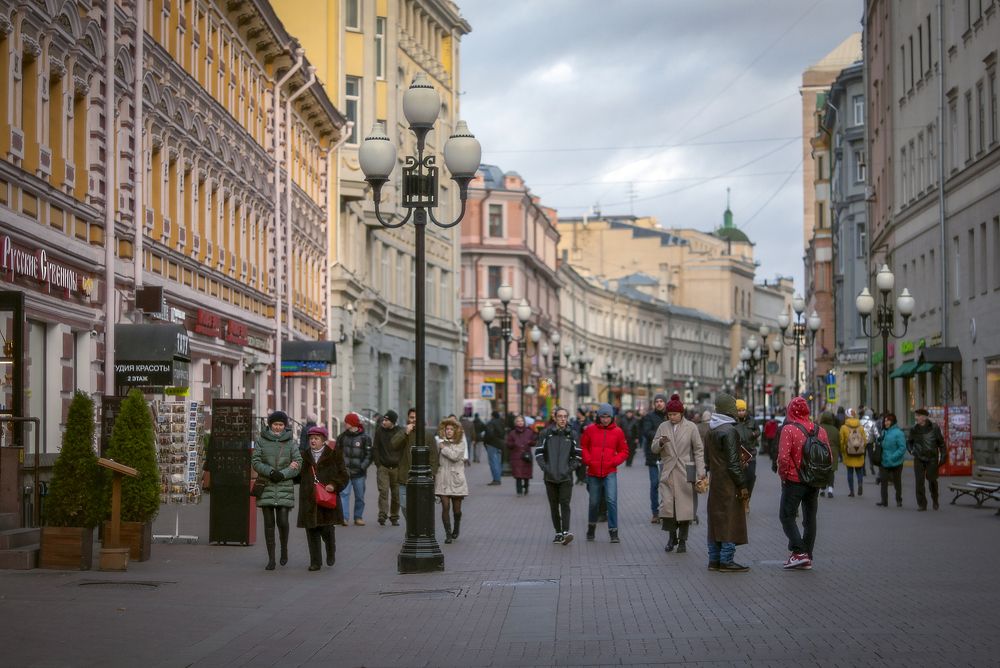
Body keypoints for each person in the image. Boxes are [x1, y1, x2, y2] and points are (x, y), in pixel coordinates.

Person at [777, 397, 833, 570]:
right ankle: (807, 555)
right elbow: (829, 456)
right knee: (810, 519)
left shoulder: (789, 429)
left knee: (786, 516)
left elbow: (783, 458)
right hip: (814, 480)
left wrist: (783, 476)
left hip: (794, 480)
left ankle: (799, 552)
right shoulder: (820, 430)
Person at [651, 394, 705, 555]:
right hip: (668, 470)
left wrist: (701, 471)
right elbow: (653, 447)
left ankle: (682, 541)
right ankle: (671, 537)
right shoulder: (663, 427)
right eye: (669, 414)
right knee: (668, 507)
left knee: (685, 509)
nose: (672, 417)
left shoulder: (691, 427)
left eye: (674, 414)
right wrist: (660, 442)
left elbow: (698, 450)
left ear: (681, 413)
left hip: (685, 470)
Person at [251, 410, 303, 570]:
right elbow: (255, 461)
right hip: (266, 484)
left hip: (284, 485)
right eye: (275, 424)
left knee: (282, 521)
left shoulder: (291, 442)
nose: (278, 427)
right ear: (270, 425)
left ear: (285, 425)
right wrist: (271, 472)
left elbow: (298, 462)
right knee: (268, 524)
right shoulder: (261, 440)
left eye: (281, 424)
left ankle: (284, 550)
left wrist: (283, 474)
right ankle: (271, 558)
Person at [704, 394, 750, 572]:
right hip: (729, 483)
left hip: (716, 481)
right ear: (729, 409)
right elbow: (732, 463)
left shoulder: (711, 430)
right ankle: (726, 560)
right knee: (730, 520)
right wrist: (742, 484)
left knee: (716, 520)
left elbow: (708, 460)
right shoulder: (730, 431)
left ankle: (713, 560)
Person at [297, 425, 348, 570]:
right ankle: (315, 562)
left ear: (323, 440)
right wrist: (293, 468)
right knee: (311, 531)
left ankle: (330, 549)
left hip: (327, 500)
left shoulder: (334, 455)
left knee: (326, 530)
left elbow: (344, 475)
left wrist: (334, 485)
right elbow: (297, 477)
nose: (313, 441)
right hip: (309, 500)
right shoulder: (303, 456)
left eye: (316, 438)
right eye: (311, 438)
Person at [581, 403, 629, 543]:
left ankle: (613, 532)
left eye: (608, 416)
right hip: (593, 472)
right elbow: (583, 446)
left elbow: (624, 451)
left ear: (612, 417)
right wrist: (589, 461)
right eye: (603, 416)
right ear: (599, 416)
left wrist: (614, 461)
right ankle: (591, 528)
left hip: (610, 471)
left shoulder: (618, 432)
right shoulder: (590, 430)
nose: (605, 419)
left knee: (611, 501)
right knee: (594, 502)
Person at [535, 407, 583, 545]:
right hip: (550, 477)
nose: (563, 419)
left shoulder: (572, 434)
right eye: (560, 416)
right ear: (555, 418)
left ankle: (565, 532)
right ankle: (558, 532)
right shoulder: (546, 433)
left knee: (565, 504)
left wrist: (569, 469)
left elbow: (578, 455)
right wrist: (546, 468)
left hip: (566, 477)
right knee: (554, 505)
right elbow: (538, 453)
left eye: (565, 416)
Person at [398, 408, 439, 515]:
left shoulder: (428, 435)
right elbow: (393, 445)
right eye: (412, 417)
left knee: (420, 508)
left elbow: (434, 457)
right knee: (404, 506)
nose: (414, 420)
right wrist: (405, 433)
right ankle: (411, 528)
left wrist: (431, 474)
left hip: (422, 478)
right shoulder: (403, 432)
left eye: (417, 417)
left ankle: (413, 530)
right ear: (408, 418)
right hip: (404, 477)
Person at [435, 416, 469, 544]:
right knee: (445, 506)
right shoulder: (439, 442)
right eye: (447, 429)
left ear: (456, 431)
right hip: (442, 477)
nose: (449, 431)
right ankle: (448, 534)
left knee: (457, 510)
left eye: (451, 429)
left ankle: (457, 526)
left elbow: (455, 457)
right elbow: (434, 459)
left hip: (456, 479)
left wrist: (443, 448)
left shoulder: (460, 443)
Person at [908, 408, 946, 511]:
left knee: (932, 480)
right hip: (919, 458)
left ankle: (935, 499)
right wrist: (912, 451)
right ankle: (922, 504)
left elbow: (941, 443)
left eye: (918, 416)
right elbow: (909, 442)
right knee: (919, 482)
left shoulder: (934, 428)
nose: (916, 418)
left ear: (924, 417)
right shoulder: (914, 429)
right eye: (916, 416)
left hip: (932, 458)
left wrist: (943, 456)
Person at [337, 412, 372, 526]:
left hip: (359, 473)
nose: (345, 424)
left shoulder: (365, 438)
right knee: (344, 495)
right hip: (345, 472)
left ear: (352, 423)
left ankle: (358, 517)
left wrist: (362, 467)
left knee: (360, 497)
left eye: (346, 422)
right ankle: (344, 518)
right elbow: (336, 453)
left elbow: (369, 455)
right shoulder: (342, 437)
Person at [372, 410, 405, 526]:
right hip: (383, 467)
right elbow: (375, 448)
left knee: (396, 494)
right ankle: (382, 515)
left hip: (397, 468)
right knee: (383, 492)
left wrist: (401, 464)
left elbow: (404, 449)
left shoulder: (400, 431)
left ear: (393, 422)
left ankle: (394, 516)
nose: (383, 422)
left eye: (386, 420)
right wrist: (378, 464)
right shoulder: (379, 431)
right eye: (383, 420)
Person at [640, 395, 669, 523]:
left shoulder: (670, 416)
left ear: (665, 403)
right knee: (654, 484)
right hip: (653, 455)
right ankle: (655, 512)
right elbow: (646, 432)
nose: (659, 403)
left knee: (668, 484)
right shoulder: (649, 417)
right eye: (656, 401)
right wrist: (661, 436)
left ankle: (666, 510)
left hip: (668, 455)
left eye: (661, 401)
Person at [876, 413, 907, 508]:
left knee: (897, 482)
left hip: (896, 462)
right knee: (883, 481)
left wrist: (893, 457)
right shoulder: (884, 432)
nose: (886, 422)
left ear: (893, 421)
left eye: (888, 420)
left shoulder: (899, 433)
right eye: (885, 421)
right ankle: (884, 501)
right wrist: (879, 440)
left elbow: (902, 448)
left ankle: (899, 500)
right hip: (884, 461)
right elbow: (881, 445)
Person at [505, 415, 537, 496]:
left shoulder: (529, 432)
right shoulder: (512, 433)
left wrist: (530, 442)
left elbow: (535, 442)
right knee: (518, 475)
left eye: (521, 421)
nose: (520, 422)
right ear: (515, 423)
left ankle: (526, 488)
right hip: (516, 456)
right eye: (518, 421)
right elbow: (508, 444)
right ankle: (519, 491)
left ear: (524, 422)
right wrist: (514, 444)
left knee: (526, 474)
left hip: (526, 456)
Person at [734, 399, 760, 497]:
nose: (741, 412)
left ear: (745, 410)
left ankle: (747, 497)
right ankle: (741, 497)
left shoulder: (752, 420)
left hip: (751, 453)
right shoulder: (733, 422)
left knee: (751, 476)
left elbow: (758, 430)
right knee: (740, 478)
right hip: (739, 454)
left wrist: (754, 433)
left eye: (742, 410)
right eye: (739, 410)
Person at [839, 408, 867, 497]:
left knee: (850, 472)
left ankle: (852, 491)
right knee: (859, 471)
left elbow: (841, 441)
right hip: (859, 453)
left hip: (849, 453)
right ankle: (860, 484)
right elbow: (865, 440)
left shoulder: (844, 427)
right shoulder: (861, 427)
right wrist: (861, 449)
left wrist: (843, 450)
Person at [817, 411, 841, 498]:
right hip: (833, 451)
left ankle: (822, 489)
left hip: (822, 450)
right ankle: (830, 489)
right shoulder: (835, 429)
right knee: (831, 471)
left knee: (822, 470)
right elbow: (839, 442)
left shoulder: (820, 428)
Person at [483, 411, 506, 485]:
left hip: (492, 444)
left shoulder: (491, 423)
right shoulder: (502, 422)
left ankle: (496, 479)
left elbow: (489, 434)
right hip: (501, 444)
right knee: (498, 462)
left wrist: (485, 442)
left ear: (492, 416)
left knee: (493, 462)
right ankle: (498, 478)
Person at [860, 407, 879, 475]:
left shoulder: (860, 422)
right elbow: (876, 433)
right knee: (871, 455)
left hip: (862, 442)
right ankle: (871, 466)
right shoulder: (873, 422)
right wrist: (878, 439)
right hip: (871, 442)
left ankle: (863, 470)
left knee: (863, 456)